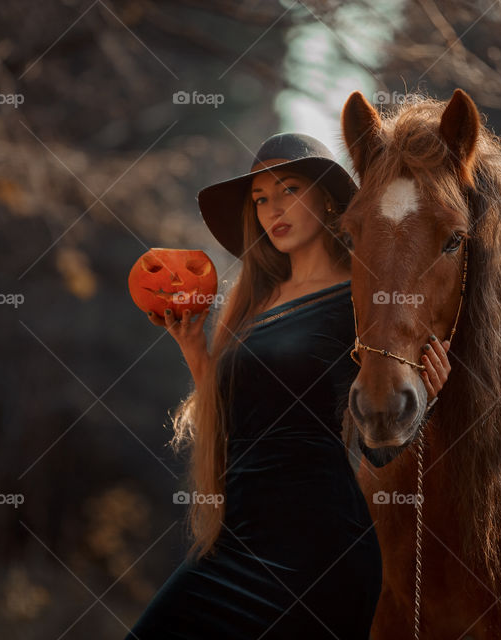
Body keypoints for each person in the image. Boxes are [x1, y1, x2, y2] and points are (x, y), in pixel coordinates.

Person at [126, 132, 451, 639]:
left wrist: (427, 396)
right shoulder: (257, 299)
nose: (272, 208)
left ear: (326, 197)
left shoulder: (358, 300)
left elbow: (379, 449)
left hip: (321, 553)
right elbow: (236, 416)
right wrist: (194, 347)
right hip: (237, 545)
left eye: (288, 190)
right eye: (260, 199)